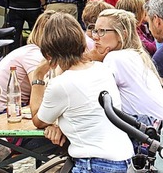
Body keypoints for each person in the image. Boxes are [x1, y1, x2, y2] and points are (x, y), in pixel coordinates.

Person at [31, 13, 134, 173]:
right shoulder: (102, 69)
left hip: (94, 163)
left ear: (48, 53)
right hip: (124, 158)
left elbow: (38, 120)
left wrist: (37, 77)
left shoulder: (61, 84)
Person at [90, 9, 163, 120]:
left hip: (148, 132)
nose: (95, 37)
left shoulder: (115, 58)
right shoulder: (136, 56)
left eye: (102, 31)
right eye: (95, 31)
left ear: (122, 35)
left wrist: (91, 61)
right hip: (158, 130)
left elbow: (90, 95)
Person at [0, 10, 54, 113]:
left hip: (11, 107)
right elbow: (42, 91)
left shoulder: (31, 50)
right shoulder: (34, 54)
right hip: (4, 111)